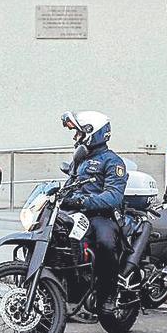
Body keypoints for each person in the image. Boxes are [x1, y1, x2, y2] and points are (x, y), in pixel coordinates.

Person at [59, 110, 129, 313]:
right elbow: (69, 184)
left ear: (93, 133)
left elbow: (114, 196)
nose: (75, 138)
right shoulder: (80, 159)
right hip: (77, 215)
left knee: (105, 243)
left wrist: (83, 201)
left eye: (78, 133)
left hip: (101, 216)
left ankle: (108, 294)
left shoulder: (113, 162)